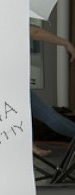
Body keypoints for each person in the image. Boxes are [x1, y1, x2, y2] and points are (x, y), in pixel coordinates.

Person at [28, 20, 75, 156]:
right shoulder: (6, 22)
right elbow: (35, 32)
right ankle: (29, 145)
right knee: (50, 116)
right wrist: (66, 43)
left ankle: (30, 145)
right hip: (11, 84)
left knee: (48, 116)